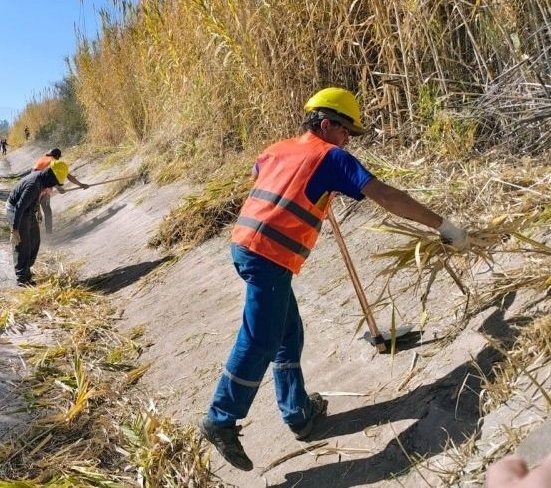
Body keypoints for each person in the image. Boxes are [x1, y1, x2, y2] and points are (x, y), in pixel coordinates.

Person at [198, 87, 470, 471]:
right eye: (345, 131)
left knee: (287, 333)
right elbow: (387, 196)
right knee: (260, 337)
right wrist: (442, 225)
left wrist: (314, 192)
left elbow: (258, 172)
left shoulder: (277, 149)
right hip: (268, 257)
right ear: (326, 124)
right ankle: (220, 418)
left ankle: (298, 413)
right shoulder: (331, 157)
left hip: (244, 246)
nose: (348, 140)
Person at [6, 159, 69, 286]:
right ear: (49, 175)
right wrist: (15, 229)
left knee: (35, 241)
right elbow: (19, 207)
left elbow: (34, 199)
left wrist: (37, 210)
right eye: (55, 182)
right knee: (23, 245)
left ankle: (26, 270)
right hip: (17, 211)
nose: (54, 185)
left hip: (29, 210)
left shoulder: (42, 180)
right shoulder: (34, 185)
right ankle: (22, 279)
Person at [32, 148, 89, 233]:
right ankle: (48, 232)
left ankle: (33, 231)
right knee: (47, 210)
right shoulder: (53, 162)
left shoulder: (42, 159)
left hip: (31, 185)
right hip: (41, 186)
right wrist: (60, 188)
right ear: (57, 156)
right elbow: (56, 177)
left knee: (33, 209)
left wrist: (80, 185)